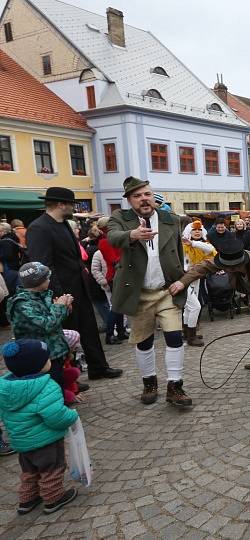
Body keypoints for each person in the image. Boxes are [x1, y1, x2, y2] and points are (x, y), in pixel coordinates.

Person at [106, 177, 191, 407]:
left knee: (175, 337)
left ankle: (175, 386)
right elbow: (112, 237)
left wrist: (183, 280)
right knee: (144, 342)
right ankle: (149, 382)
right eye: (137, 196)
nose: (144, 199)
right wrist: (132, 235)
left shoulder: (170, 219)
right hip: (139, 293)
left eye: (147, 194)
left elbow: (178, 252)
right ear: (129, 200)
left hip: (167, 291)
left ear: (153, 197)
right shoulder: (120, 219)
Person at [26, 187, 122, 381]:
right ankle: (67, 381)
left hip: (79, 287)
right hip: (62, 292)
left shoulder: (63, 224)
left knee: (89, 329)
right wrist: (59, 295)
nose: (73, 207)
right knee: (64, 338)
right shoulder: (39, 227)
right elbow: (43, 265)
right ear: (61, 205)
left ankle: (98, 368)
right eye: (71, 204)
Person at [170, 237, 250, 394]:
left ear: (239, 264)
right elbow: (204, 266)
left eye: (230, 268)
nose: (225, 270)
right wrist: (183, 282)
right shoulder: (228, 257)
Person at [0, 339, 80, 515]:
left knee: (29, 471)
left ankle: (27, 500)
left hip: (21, 443)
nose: (50, 362)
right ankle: (54, 498)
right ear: (38, 365)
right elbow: (55, 416)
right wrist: (72, 416)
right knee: (51, 468)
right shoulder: (46, 386)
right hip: (46, 441)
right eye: (47, 359)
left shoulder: (5, 389)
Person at [7, 261, 80, 400]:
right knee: (51, 388)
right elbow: (46, 325)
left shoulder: (41, 295)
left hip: (54, 350)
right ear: (37, 281)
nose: (49, 280)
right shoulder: (22, 304)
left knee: (58, 380)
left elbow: (53, 320)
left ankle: (65, 399)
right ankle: (58, 413)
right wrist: (59, 307)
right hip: (41, 355)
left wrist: (65, 308)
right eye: (46, 277)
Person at [91, 218, 128, 344]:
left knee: (119, 305)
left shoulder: (111, 239)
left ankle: (121, 332)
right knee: (115, 306)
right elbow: (114, 259)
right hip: (114, 276)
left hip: (120, 275)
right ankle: (110, 335)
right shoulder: (104, 242)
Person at [181, 221, 216, 346]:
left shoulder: (201, 245)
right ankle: (191, 336)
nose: (197, 232)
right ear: (188, 232)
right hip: (183, 279)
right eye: (194, 230)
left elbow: (211, 249)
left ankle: (187, 333)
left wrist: (194, 243)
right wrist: (187, 269)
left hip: (196, 278)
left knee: (189, 308)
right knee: (195, 306)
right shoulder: (181, 246)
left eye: (199, 230)